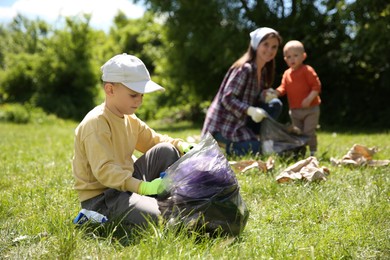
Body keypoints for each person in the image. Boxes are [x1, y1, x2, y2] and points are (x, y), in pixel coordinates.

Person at [72, 53, 193, 227]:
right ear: (110, 90)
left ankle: (160, 199)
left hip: (126, 183)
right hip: (104, 198)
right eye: (133, 95)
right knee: (166, 219)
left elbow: (153, 141)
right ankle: (94, 217)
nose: (140, 101)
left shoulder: (129, 118)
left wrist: (181, 145)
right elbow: (106, 172)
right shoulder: (96, 123)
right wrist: (144, 188)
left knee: (166, 150)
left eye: (142, 95)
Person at [201, 27, 283, 156]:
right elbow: (227, 99)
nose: (270, 50)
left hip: (240, 124)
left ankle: (257, 140)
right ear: (256, 45)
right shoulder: (245, 68)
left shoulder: (263, 71)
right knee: (259, 149)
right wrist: (250, 110)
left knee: (275, 104)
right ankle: (225, 146)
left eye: (274, 47)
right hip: (223, 127)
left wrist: (264, 95)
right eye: (265, 44)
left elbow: (251, 97)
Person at [272, 40, 322, 156]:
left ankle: (313, 152)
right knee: (298, 133)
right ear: (285, 59)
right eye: (289, 57)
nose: (292, 59)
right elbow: (283, 88)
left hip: (311, 109)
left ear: (303, 56)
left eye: (295, 55)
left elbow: (316, 86)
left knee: (308, 131)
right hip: (295, 110)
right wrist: (275, 93)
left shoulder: (307, 70)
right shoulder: (286, 74)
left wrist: (309, 99)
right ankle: (300, 152)